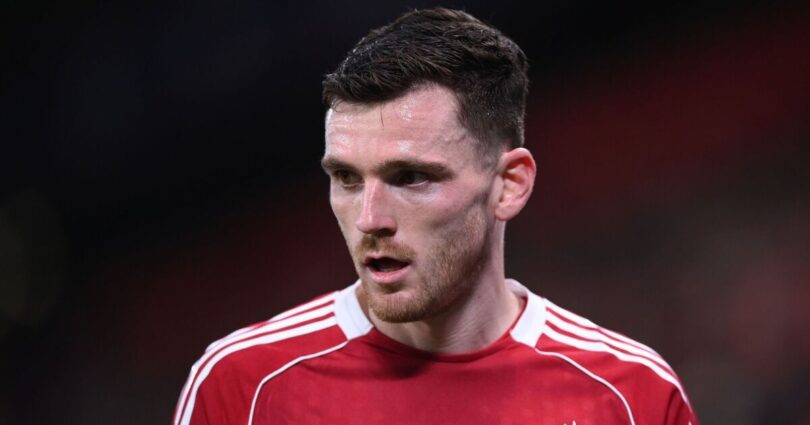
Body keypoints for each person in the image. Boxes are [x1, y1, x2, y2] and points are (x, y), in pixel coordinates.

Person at [173, 8, 699, 425]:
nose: (370, 219)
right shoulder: (243, 385)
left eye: (410, 177)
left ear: (509, 185)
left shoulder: (631, 396)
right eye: (347, 178)